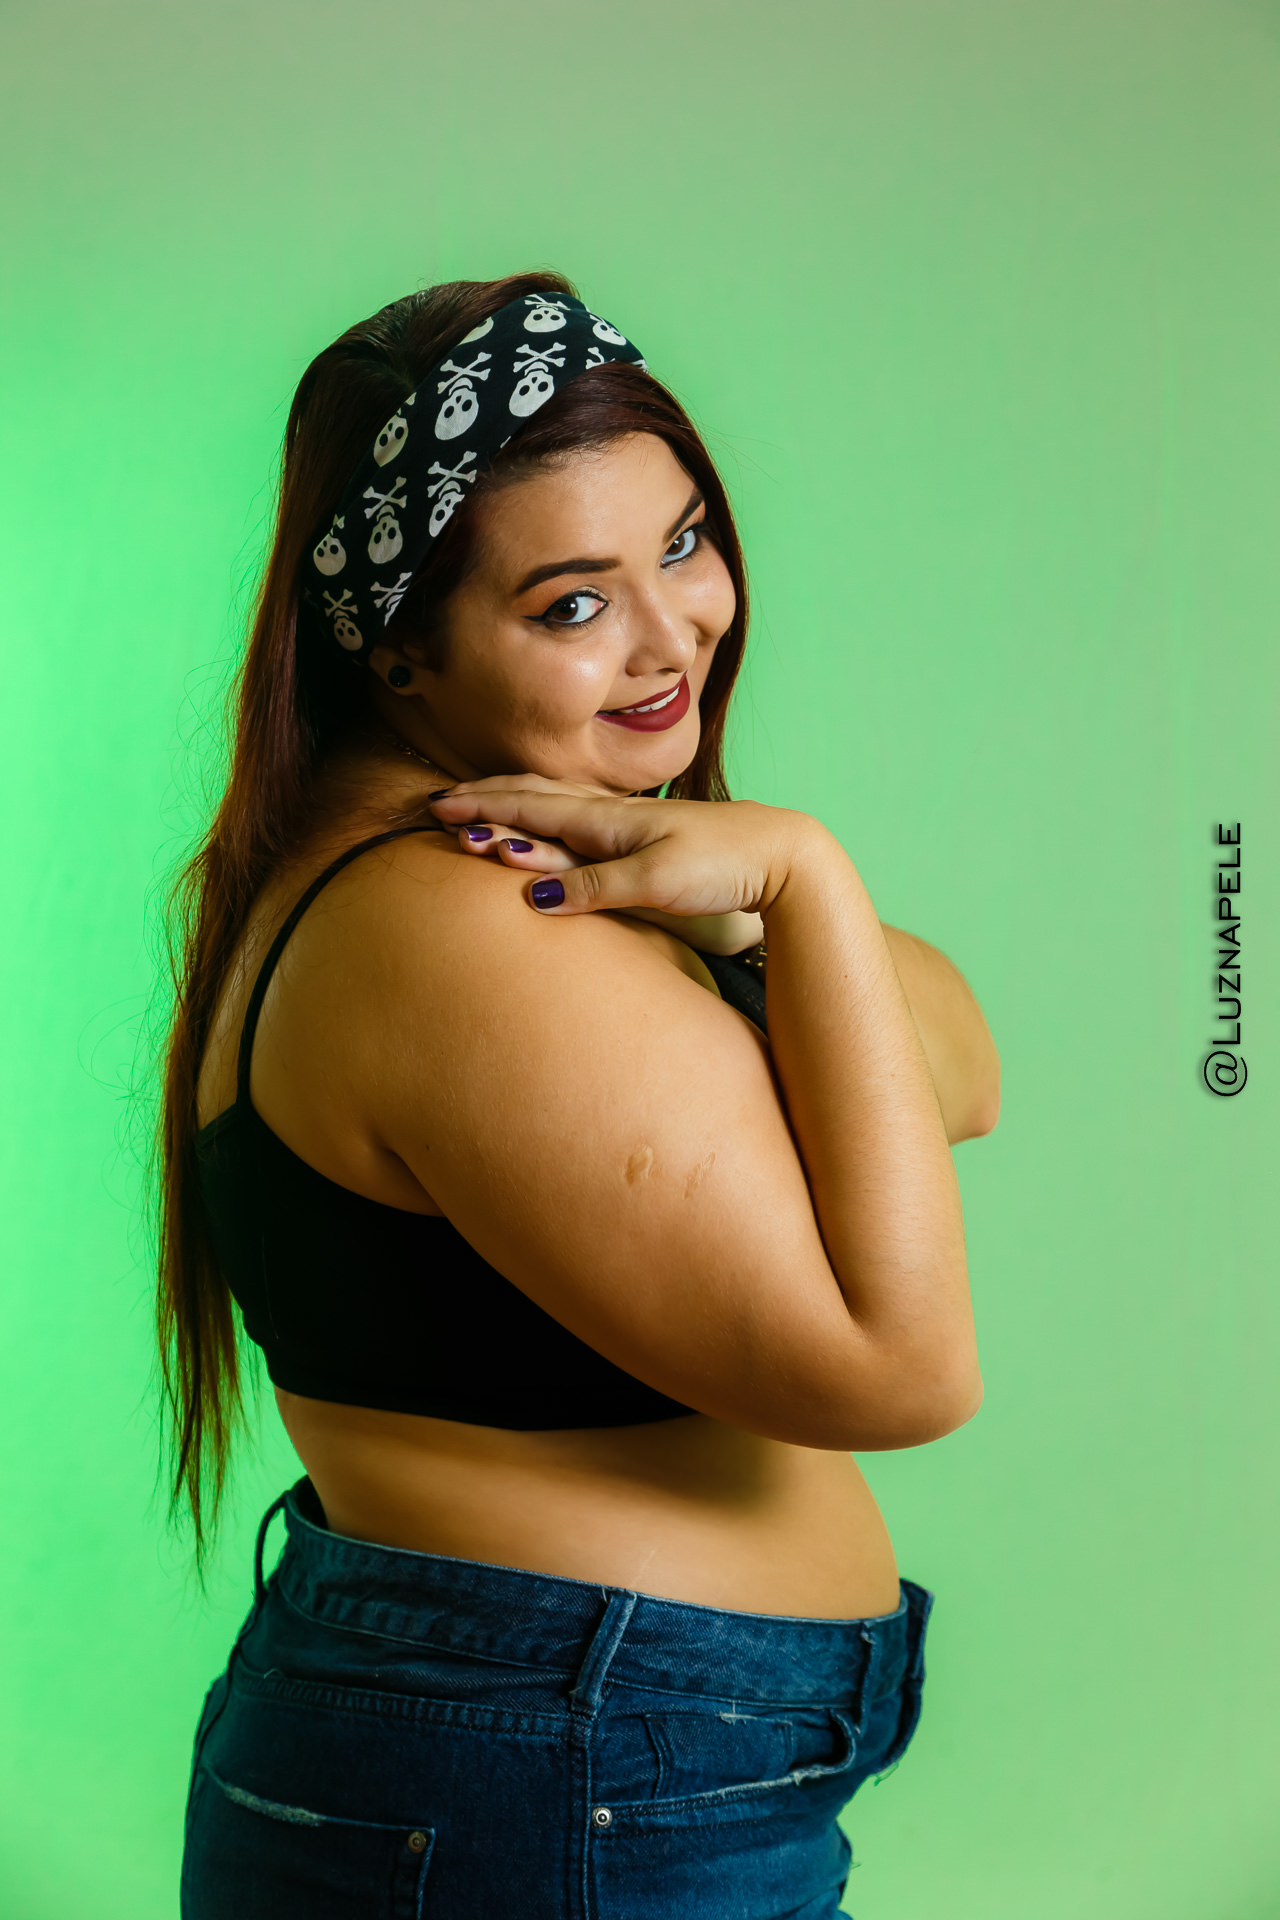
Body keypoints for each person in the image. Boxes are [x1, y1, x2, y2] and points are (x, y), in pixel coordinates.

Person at [162, 270, 999, 1918]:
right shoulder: (464, 924)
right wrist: (804, 877)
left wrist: (745, 905)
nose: (672, 634)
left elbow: (961, 1069)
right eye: (570, 606)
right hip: (565, 1788)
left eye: (682, 543)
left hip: (568, 1771)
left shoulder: (502, 854)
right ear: (401, 650)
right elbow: (902, 1366)